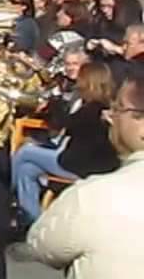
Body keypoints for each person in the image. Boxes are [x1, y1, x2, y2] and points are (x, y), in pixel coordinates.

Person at [26, 67, 144, 278]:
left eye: (118, 109)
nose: (110, 118)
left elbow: (41, 245)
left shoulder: (92, 196)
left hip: (77, 166)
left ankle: (28, 212)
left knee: (24, 157)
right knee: (26, 162)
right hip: (78, 164)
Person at [11, 61, 119, 226]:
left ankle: (5, 194)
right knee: (27, 169)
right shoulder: (107, 107)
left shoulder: (92, 109)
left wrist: (53, 104)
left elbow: (66, 125)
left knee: (25, 151)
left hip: (80, 166)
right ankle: (33, 222)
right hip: (86, 163)